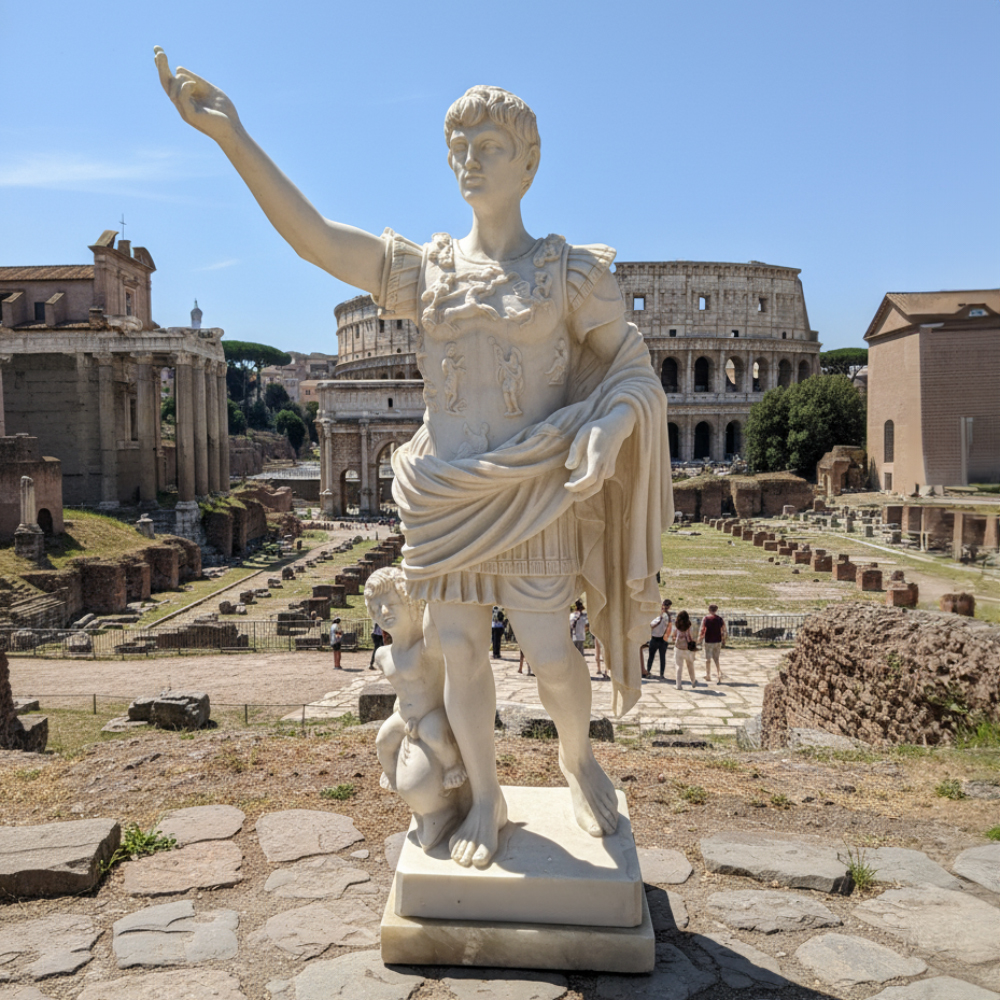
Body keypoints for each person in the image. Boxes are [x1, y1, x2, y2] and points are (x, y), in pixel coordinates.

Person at [154, 62, 672, 869]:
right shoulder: (425, 271)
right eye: (457, 145)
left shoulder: (572, 273)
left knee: (550, 651)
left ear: (530, 161)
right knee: (461, 652)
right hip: (443, 493)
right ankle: (488, 797)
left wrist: (609, 425)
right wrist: (232, 135)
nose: (470, 158)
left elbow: (633, 371)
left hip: (535, 487)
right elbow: (318, 239)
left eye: (489, 145)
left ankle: (577, 760)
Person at [699, 604, 727, 683]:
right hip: (717, 641)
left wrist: (700, 638)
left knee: (708, 659)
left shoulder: (706, 618)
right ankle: (719, 674)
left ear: (709, 610)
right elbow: (724, 630)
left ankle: (708, 675)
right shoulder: (720, 619)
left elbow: (702, 629)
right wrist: (724, 639)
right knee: (716, 659)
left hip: (708, 640)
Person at [646, 599, 673, 679]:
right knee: (658, 657)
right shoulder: (662, 617)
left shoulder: (665, 617)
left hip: (658, 639)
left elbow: (652, 625)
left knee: (655, 657)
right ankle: (655, 672)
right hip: (658, 639)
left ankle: (651, 671)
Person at [672, 610, 698, 690]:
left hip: (678, 648)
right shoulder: (688, 626)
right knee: (690, 666)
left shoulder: (677, 625)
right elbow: (690, 637)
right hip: (687, 649)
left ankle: (678, 685)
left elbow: (674, 636)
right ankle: (693, 681)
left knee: (679, 667)